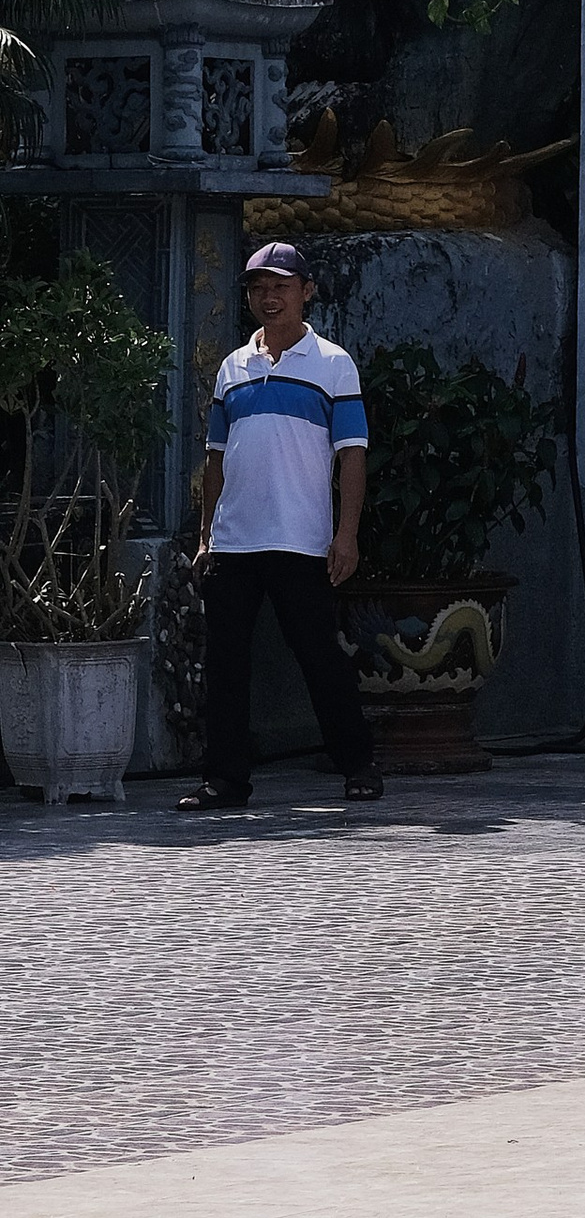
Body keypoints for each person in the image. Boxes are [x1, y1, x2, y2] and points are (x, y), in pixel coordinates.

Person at [179, 242, 381, 812]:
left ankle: (357, 764)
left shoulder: (333, 365)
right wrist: (205, 535)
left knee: (319, 653)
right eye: (258, 289)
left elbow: (353, 456)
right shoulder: (231, 369)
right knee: (225, 664)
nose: (269, 298)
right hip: (235, 540)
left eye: (281, 287)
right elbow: (215, 457)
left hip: (301, 538)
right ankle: (224, 780)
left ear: (306, 291)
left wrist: (347, 535)